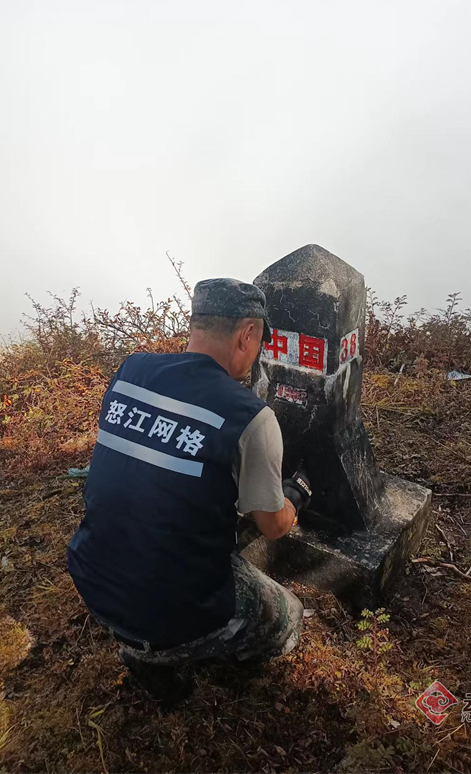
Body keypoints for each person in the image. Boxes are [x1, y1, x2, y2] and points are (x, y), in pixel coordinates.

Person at [67, 278, 312, 701]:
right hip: (173, 612)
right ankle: (210, 657)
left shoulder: (131, 371)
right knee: (288, 614)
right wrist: (295, 495)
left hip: (94, 581)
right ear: (247, 334)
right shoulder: (249, 417)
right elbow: (273, 527)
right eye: (259, 342)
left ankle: (146, 653)